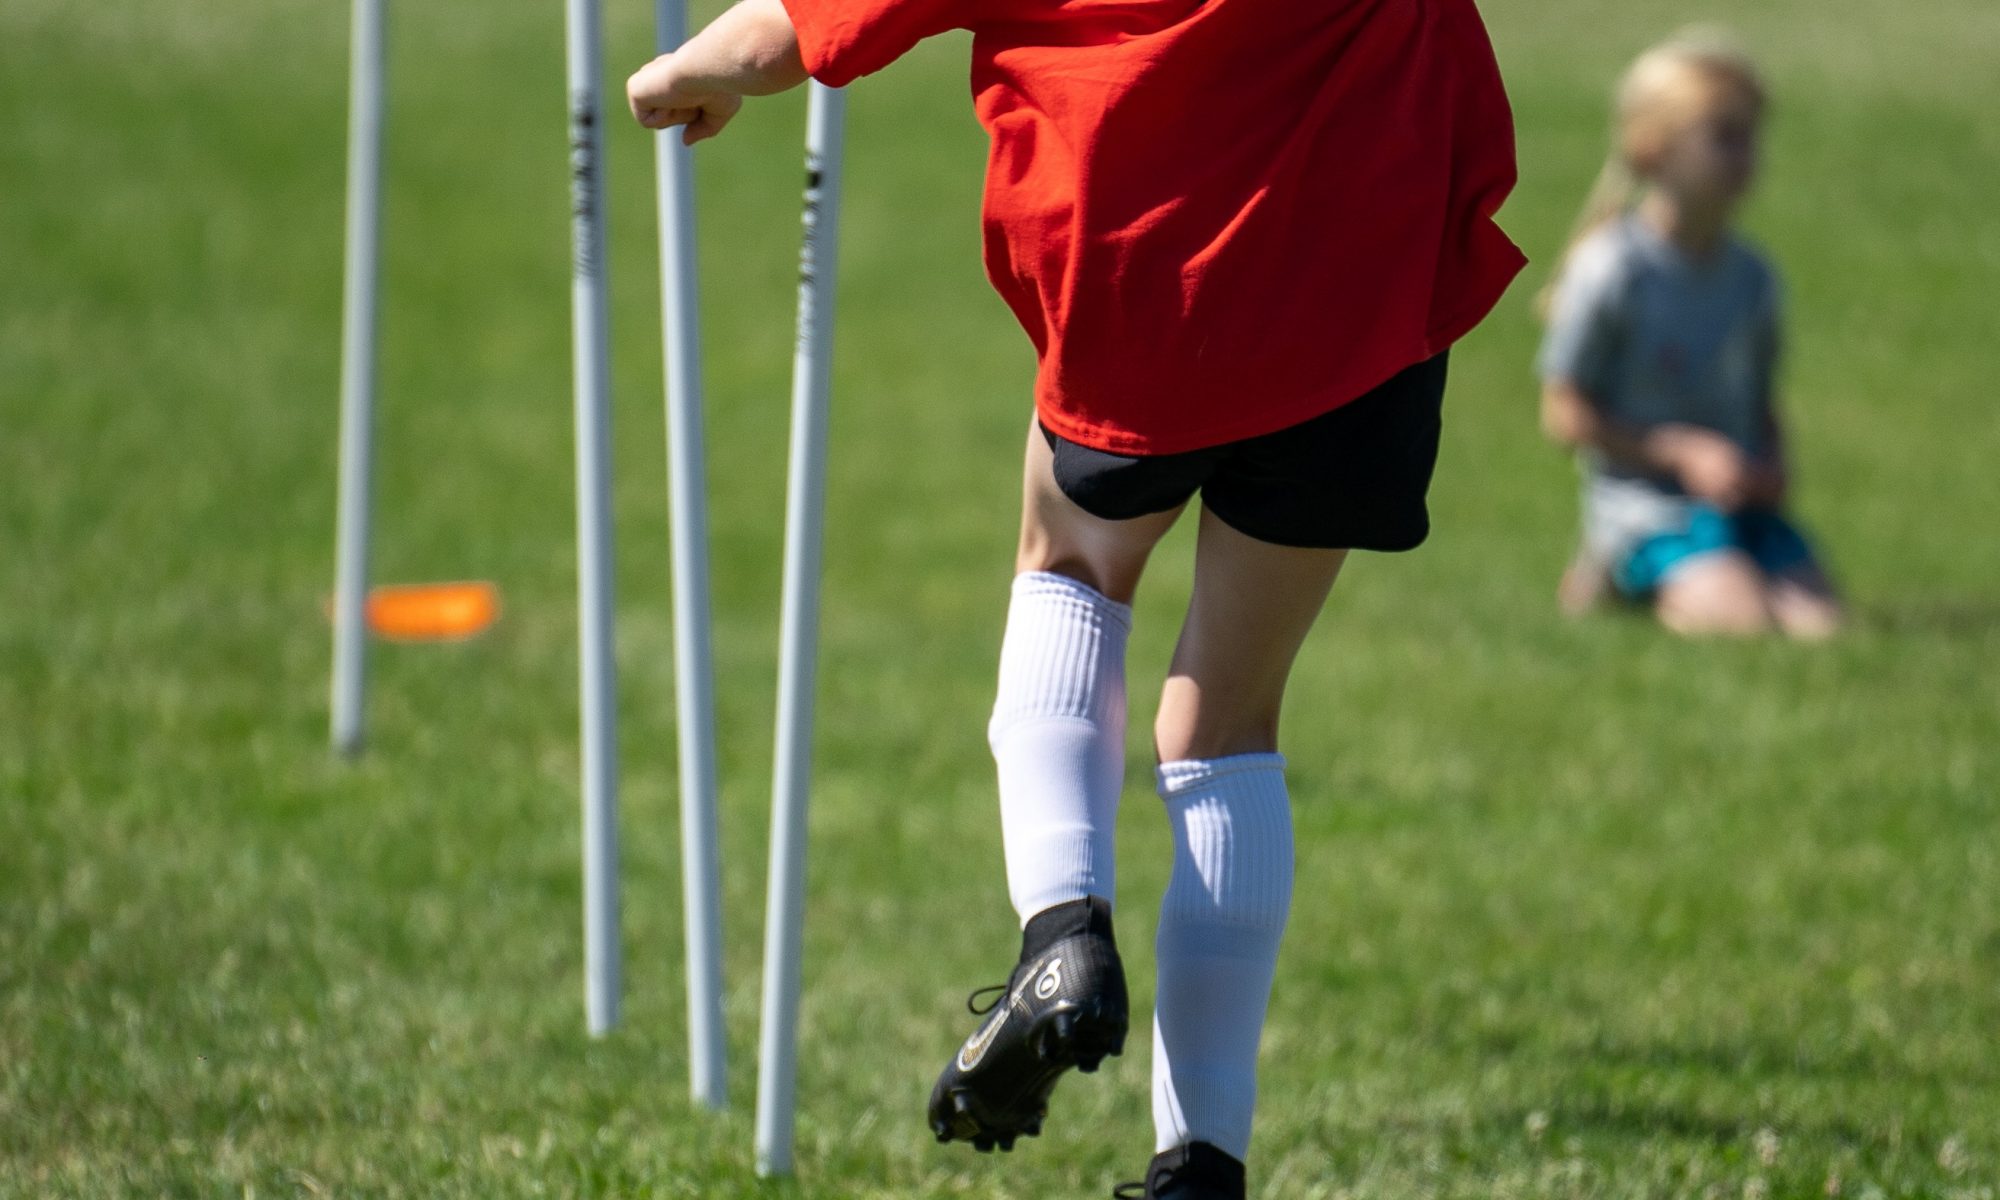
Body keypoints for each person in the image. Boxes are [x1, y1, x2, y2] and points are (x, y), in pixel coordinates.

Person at [627, 0, 1523, 1193]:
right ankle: (1199, 1160)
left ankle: (1061, 932)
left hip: (1148, 289)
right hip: (1361, 315)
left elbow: (791, 31)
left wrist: (686, 70)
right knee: (1227, 722)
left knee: (1070, 570)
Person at [1538, 29, 1842, 638]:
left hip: (1739, 504)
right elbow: (1564, 415)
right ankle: (1612, 569)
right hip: (1646, 508)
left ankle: (1717, 568)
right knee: (1741, 626)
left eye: (1751, 135)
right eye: (1724, 136)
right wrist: (1680, 452)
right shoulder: (1613, 270)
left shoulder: (1752, 277)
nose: (1746, 155)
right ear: (1652, 150)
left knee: (1823, 630)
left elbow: (1761, 397)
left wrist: (1773, 463)